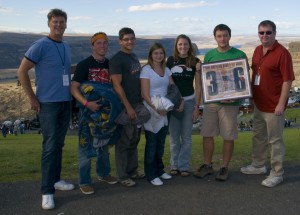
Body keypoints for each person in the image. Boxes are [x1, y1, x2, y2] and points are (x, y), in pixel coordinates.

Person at [17, 9, 74, 210]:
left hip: (64, 101)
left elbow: (65, 70)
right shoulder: (40, 45)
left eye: (62, 22)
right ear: (49, 24)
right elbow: (22, 70)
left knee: (58, 144)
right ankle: (47, 191)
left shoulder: (66, 46)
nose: (59, 25)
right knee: (49, 147)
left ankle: (56, 180)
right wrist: (32, 98)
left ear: (66, 24)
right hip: (47, 104)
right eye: (55, 22)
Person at [240, 20, 295, 187]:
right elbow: (255, 74)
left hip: (273, 106)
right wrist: (250, 96)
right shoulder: (257, 50)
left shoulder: (282, 53)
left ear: (275, 33)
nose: (264, 35)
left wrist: (281, 103)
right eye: (261, 32)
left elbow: (288, 80)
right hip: (258, 103)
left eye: (268, 32)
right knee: (258, 137)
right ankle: (258, 165)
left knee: (275, 141)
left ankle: (277, 173)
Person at [193, 24, 248, 181]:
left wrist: (236, 97)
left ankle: (224, 167)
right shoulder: (210, 55)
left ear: (230, 36)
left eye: (225, 35)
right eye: (219, 36)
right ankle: (208, 165)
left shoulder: (240, 54)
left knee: (228, 136)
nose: (222, 38)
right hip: (212, 103)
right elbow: (206, 80)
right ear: (215, 37)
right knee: (207, 134)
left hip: (230, 104)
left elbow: (243, 81)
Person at [71, 32, 119, 195]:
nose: (102, 46)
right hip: (87, 112)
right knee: (85, 145)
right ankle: (84, 181)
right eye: (99, 43)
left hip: (105, 114)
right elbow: (74, 87)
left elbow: (115, 87)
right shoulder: (84, 65)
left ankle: (103, 173)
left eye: (105, 43)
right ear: (92, 46)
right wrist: (86, 103)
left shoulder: (110, 64)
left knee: (103, 145)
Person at [109, 27, 148, 187]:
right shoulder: (117, 59)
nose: (130, 41)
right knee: (124, 142)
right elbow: (117, 85)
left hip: (137, 103)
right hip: (126, 106)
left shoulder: (133, 57)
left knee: (134, 139)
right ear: (120, 41)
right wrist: (128, 107)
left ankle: (132, 170)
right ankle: (122, 175)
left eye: (132, 38)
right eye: (126, 39)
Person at [166, 34, 201, 177]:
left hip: (189, 101)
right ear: (176, 46)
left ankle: (184, 166)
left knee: (186, 137)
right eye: (180, 44)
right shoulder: (170, 61)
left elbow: (198, 86)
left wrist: (197, 107)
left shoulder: (195, 61)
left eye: (185, 44)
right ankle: (174, 165)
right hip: (174, 102)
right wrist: (176, 101)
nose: (183, 47)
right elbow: (168, 82)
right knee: (174, 136)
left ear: (190, 45)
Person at [141, 43, 174, 185]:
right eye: (156, 53)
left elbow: (172, 88)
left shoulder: (166, 70)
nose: (159, 56)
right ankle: (151, 173)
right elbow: (145, 94)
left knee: (161, 142)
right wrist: (156, 108)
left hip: (165, 108)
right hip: (151, 109)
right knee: (152, 142)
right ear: (151, 55)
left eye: (161, 53)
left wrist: (174, 103)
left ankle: (159, 170)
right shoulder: (146, 70)